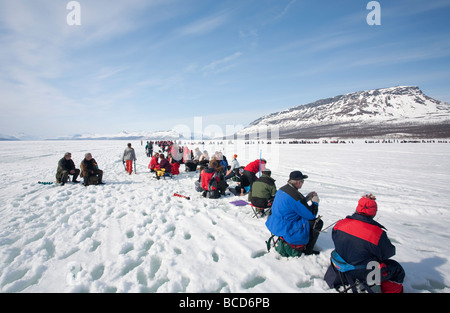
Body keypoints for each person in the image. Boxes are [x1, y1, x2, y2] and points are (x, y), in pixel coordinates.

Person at [324, 194, 405, 293]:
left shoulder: (340, 224)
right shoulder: (377, 233)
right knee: (396, 269)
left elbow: (336, 240)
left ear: (358, 208)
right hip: (362, 271)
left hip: (341, 266)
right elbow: (388, 253)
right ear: (374, 212)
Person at [265, 170, 323, 256]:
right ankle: (308, 250)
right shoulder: (295, 196)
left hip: (274, 223)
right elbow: (311, 215)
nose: (302, 183)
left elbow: (293, 204)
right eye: (302, 181)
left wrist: (306, 198)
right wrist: (315, 202)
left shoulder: (283, 189)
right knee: (317, 223)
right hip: (285, 227)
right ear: (298, 182)